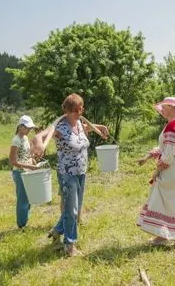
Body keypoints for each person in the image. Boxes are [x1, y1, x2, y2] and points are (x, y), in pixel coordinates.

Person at [46, 93, 108, 257]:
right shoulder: (60, 128)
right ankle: (69, 245)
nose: (77, 113)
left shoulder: (80, 124)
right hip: (67, 174)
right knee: (71, 210)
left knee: (74, 208)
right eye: (74, 110)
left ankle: (57, 230)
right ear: (66, 110)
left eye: (80, 110)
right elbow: (46, 134)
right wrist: (39, 141)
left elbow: (88, 127)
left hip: (81, 171)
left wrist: (100, 127)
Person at [136, 96, 175, 245]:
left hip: (170, 170)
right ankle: (168, 236)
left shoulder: (172, 126)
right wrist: (147, 157)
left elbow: (167, 156)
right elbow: (163, 148)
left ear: (173, 109)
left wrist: (157, 171)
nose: (162, 110)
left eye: (165, 107)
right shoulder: (173, 125)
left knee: (162, 203)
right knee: (168, 204)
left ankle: (171, 237)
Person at [9, 115, 40, 230]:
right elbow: (13, 161)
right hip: (20, 173)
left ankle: (25, 222)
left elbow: (27, 154)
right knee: (22, 199)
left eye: (30, 128)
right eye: (28, 128)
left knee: (28, 198)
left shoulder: (26, 138)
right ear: (20, 127)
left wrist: (33, 159)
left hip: (27, 171)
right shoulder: (16, 140)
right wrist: (29, 166)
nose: (29, 130)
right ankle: (21, 225)